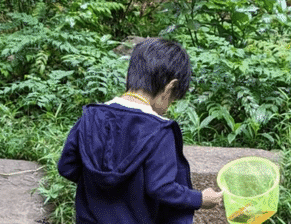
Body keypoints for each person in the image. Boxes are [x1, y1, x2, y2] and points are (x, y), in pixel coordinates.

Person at [58, 37, 223, 224]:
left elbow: (66, 167)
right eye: (172, 100)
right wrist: (199, 199)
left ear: (129, 77)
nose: (168, 107)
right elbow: (161, 188)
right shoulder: (159, 131)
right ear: (170, 87)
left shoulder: (90, 117)